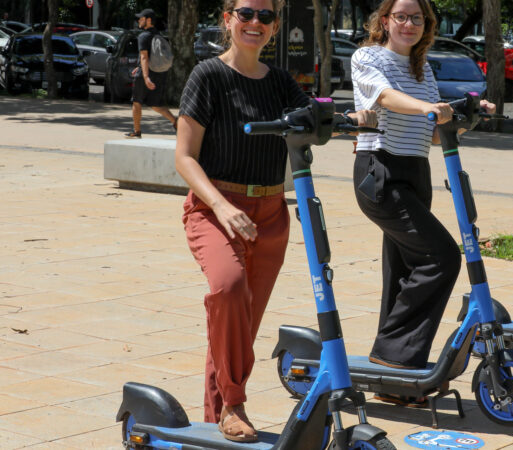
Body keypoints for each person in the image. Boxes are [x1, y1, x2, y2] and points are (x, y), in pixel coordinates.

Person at [175, 0, 375, 442]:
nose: (255, 23)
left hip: (270, 214)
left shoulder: (281, 82)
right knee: (228, 290)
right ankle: (234, 403)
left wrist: (354, 118)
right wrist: (221, 206)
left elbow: (315, 118)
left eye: (265, 17)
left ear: (276, 26)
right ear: (227, 18)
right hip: (215, 207)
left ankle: (216, 418)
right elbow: (185, 157)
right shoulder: (208, 76)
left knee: (240, 324)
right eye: (246, 13)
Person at [351, 0, 494, 407]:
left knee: (404, 270)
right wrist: (429, 107)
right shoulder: (368, 57)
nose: (409, 24)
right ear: (385, 21)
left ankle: (394, 378)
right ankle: (393, 356)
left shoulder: (422, 68)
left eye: (417, 18)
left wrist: (465, 116)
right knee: (441, 257)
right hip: (380, 171)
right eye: (401, 16)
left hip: (416, 171)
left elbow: (431, 133)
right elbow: (385, 97)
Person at [125, 8, 177, 138]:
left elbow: (144, 57)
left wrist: (146, 76)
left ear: (148, 20)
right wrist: (139, 67)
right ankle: (176, 122)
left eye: (141, 19)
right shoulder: (158, 34)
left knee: (136, 101)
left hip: (146, 73)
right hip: (159, 72)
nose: (139, 21)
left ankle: (137, 132)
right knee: (155, 104)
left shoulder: (143, 36)